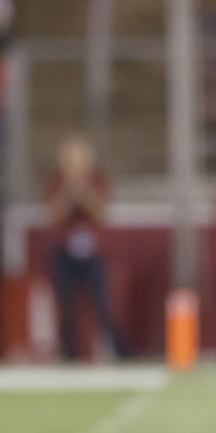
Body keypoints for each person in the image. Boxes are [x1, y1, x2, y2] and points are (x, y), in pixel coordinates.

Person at [45, 133, 128, 360]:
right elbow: (53, 216)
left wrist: (84, 192)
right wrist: (68, 195)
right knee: (66, 308)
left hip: (94, 254)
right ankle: (70, 356)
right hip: (64, 253)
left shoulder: (98, 180)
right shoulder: (56, 182)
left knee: (104, 306)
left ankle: (120, 354)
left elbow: (101, 213)